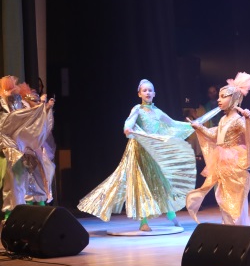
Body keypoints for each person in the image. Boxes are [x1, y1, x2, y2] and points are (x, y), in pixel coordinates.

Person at [78, 79, 196, 231]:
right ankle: (143, 221)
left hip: (152, 151)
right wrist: (128, 129)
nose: (147, 93)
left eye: (150, 90)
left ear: (154, 93)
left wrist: (192, 125)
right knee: (141, 185)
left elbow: (173, 123)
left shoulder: (157, 111)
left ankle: (171, 213)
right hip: (139, 150)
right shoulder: (137, 109)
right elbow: (129, 122)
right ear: (139, 94)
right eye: (144, 90)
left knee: (162, 181)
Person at [186, 72, 250, 226]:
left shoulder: (239, 120)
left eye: (223, 97)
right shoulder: (223, 119)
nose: (218, 100)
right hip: (220, 162)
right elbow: (215, 136)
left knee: (234, 195)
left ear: (234, 99)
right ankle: (227, 225)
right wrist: (199, 127)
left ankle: (238, 226)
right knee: (221, 195)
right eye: (219, 97)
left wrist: (248, 120)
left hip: (233, 162)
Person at [0, 76, 56, 221]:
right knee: (14, 184)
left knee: (34, 179)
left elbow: (34, 123)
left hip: (25, 150)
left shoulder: (22, 107)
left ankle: (32, 213)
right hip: (11, 150)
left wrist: (45, 108)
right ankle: (13, 215)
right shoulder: (7, 109)